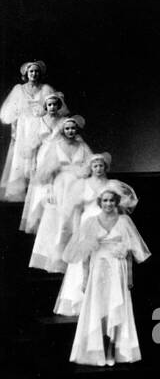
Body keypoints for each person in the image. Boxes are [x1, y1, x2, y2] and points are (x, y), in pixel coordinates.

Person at [64, 181, 150, 367]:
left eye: (112, 200)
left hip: (118, 269)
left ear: (116, 202)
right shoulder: (90, 222)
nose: (108, 204)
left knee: (115, 309)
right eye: (105, 201)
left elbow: (129, 253)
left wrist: (129, 278)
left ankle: (112, 349)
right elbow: (86, 255)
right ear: (100, 202)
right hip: (98, 269)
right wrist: (85, 278)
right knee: (98, 308)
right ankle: (98, 351)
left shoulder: (125, 221)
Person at [53, 152, 115, 316]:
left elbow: (116, 208)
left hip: (105, 225)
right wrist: (76, 232)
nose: (98, 168)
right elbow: (77, 211)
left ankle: (103, 304)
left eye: (101, 165)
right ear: (90, 168)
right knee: (83, 262)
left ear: (105, 167)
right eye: (95, 166)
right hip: (86, 224)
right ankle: (80, 302)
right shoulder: (82, 185)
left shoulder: (111, 185)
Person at [27, 113, 92, 272]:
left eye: (73, 128)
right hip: (60, 186)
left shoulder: (83, 147)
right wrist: (49, 189)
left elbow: (91, 165)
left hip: (78, 186)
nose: (70, 131)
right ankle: (57, 259)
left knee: (75, 220)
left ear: (76, 130)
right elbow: (47, 171)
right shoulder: (56, 146)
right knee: (60, 221)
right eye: (67, 128)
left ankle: (75, 259)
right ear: (63, 130)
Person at [1, 60, 56, 202]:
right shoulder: (19, 89)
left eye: (37, 71)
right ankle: (20, 193)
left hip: (40, 127)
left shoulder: (46, 89)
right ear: (26, 73)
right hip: (23, 128)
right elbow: (11, 113)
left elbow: (53, 110)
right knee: (21, 160)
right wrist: (14, 131)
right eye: (31, 71)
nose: (34, 74)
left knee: (39, 158)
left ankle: (38, 194)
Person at [20, 94, 71, 233]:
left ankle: (59, 220)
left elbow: (72, 139)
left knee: (59, 184)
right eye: (49, 105)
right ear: (46, 106)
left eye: (55, 104)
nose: (52, 107)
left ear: (59, 106)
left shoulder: (65, 121)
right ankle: (41, 220)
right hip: (43, 154)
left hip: (61, 155)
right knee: (42, 187)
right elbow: (34, 144)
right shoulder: (40, 121)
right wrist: (32, 164)